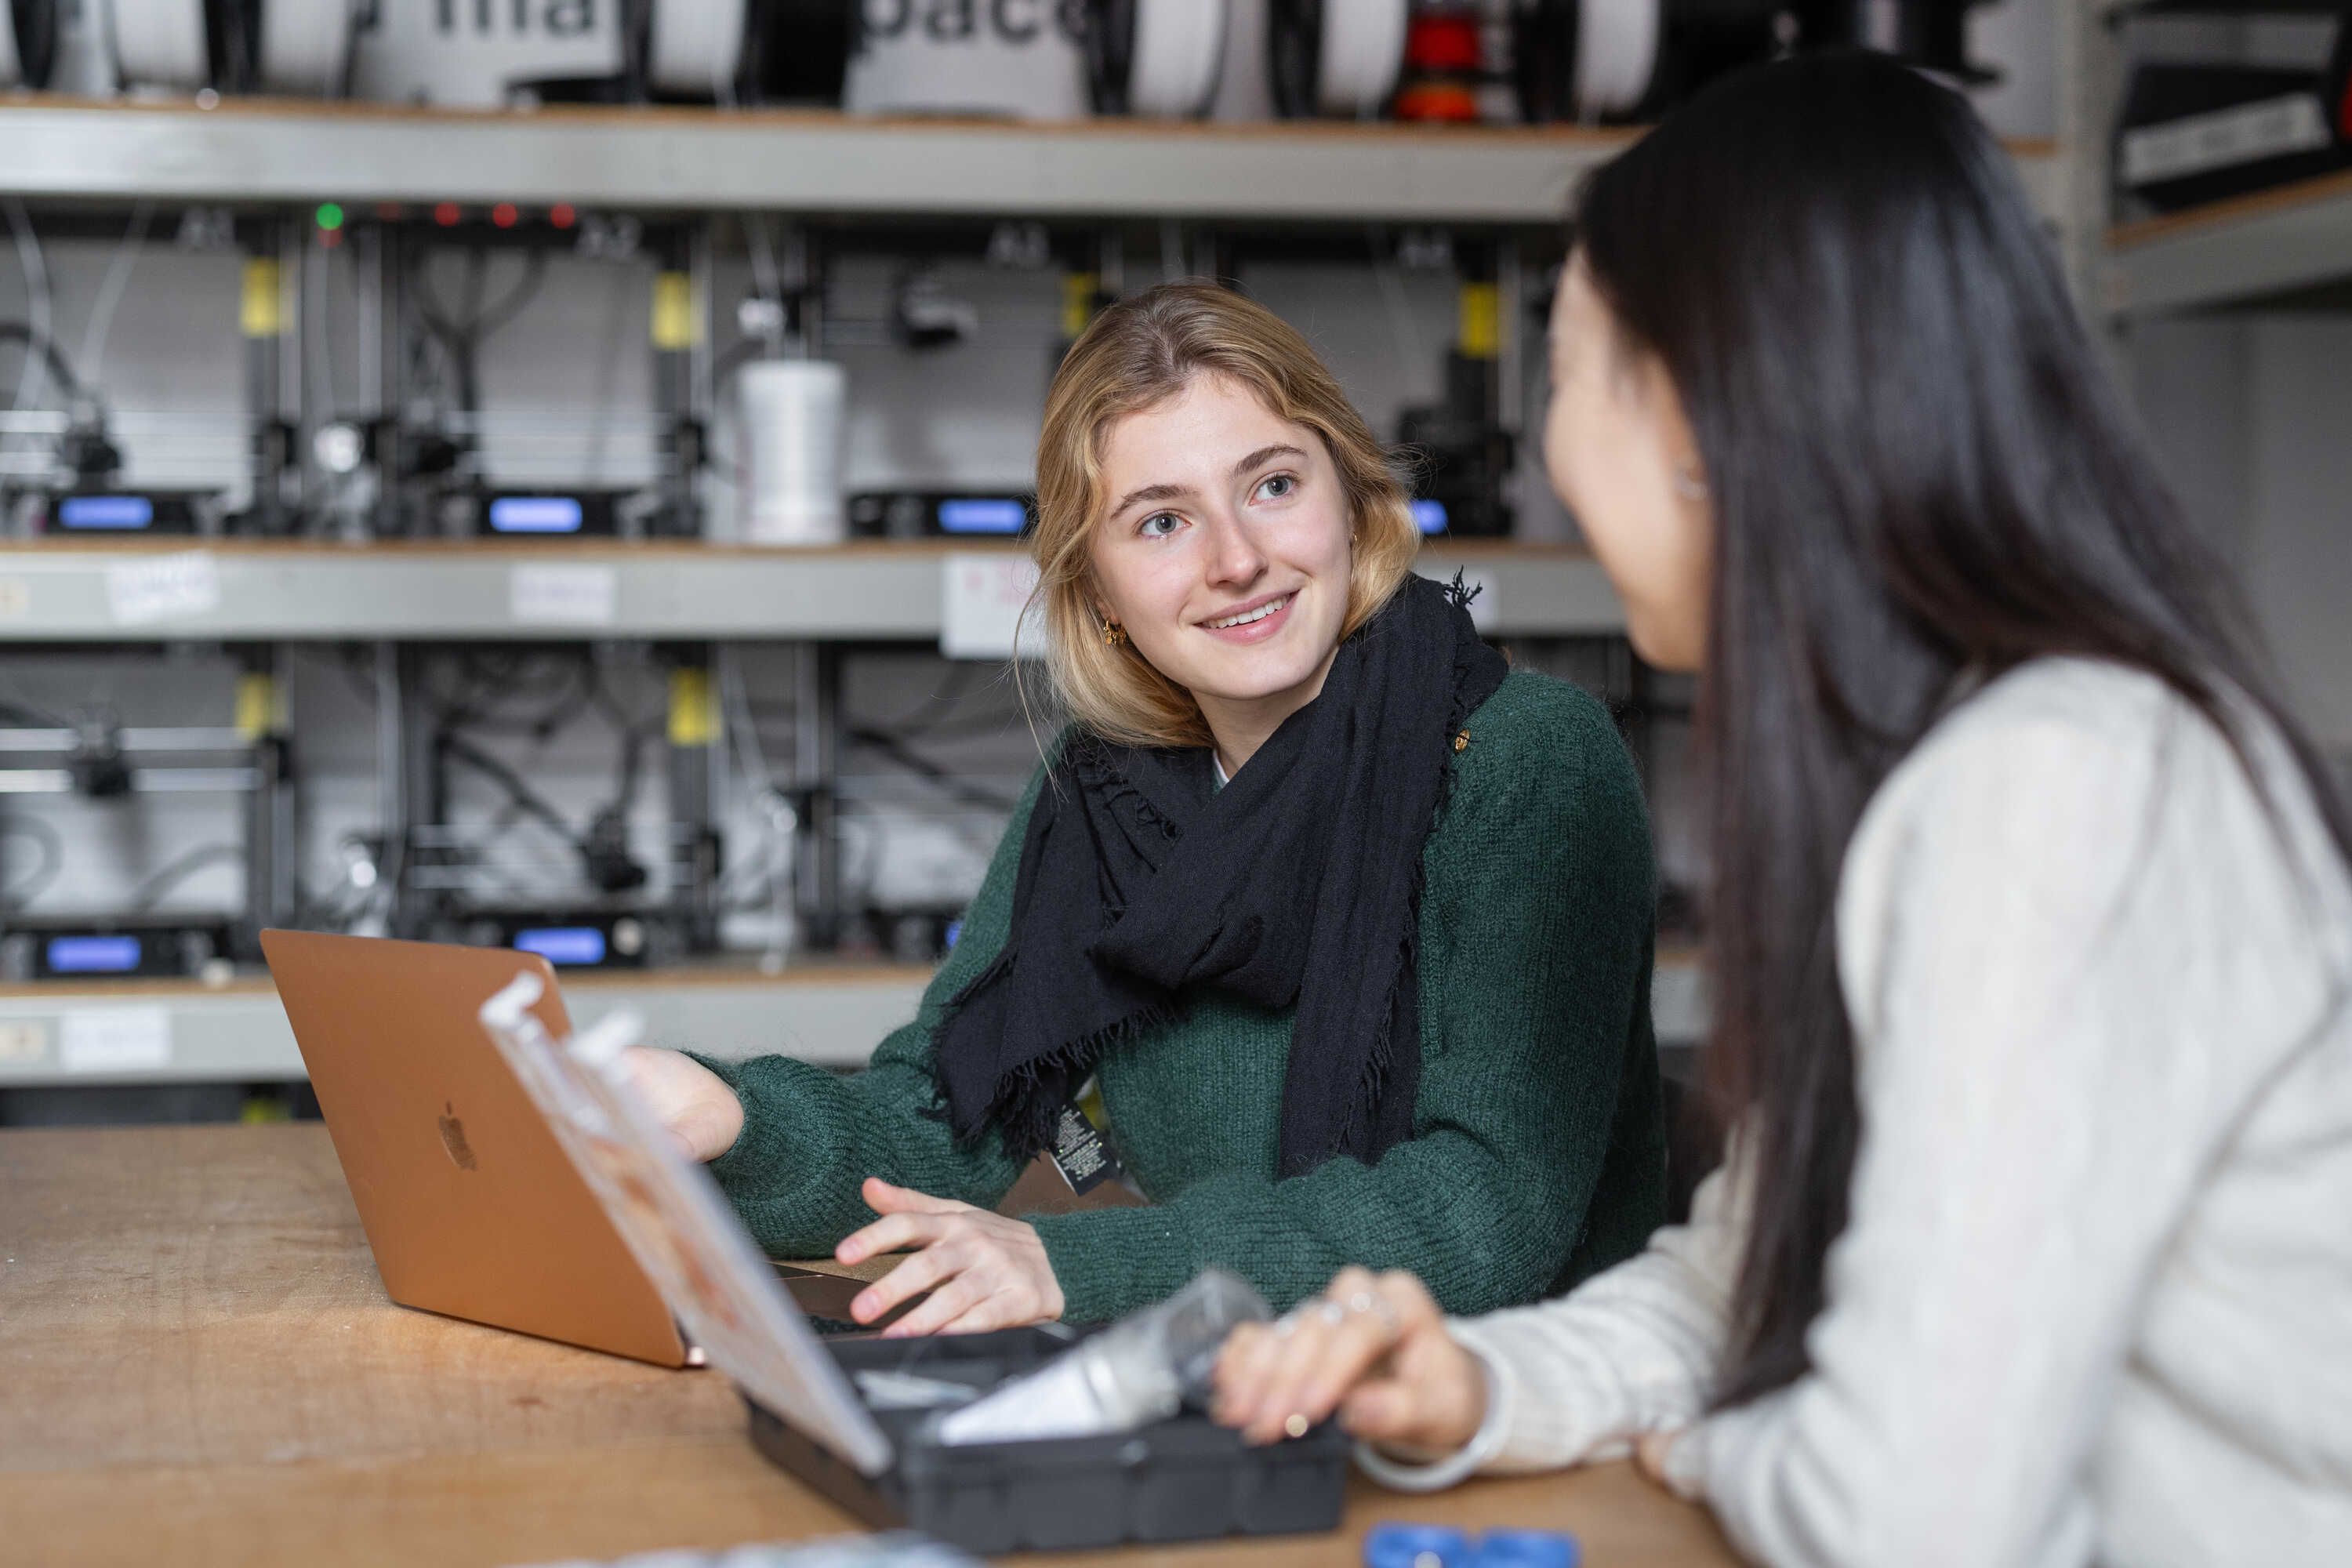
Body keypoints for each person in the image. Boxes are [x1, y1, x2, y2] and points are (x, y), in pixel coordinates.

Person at [1211, 53, 2352, 1566]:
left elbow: (1912, 1524)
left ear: (1700, 419)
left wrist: (1711, 1448)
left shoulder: (2056, 789)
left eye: (1571, 380)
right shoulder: (1961, 762)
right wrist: (1480, 1386)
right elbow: (1744, 1280)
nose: (1553, 456)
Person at [623, 281, 1668, 1335]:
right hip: (1247, 1395)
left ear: (1351, 498)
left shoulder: (1525, 761)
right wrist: (725, 1115)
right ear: (1098, 593)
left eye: (1271, 485)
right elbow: (941, 1124)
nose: (1235, 559)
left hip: (1519, 1417)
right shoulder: (1101, 798)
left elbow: (1490, 1209)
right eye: (1162, 521)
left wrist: (1075, 1264)